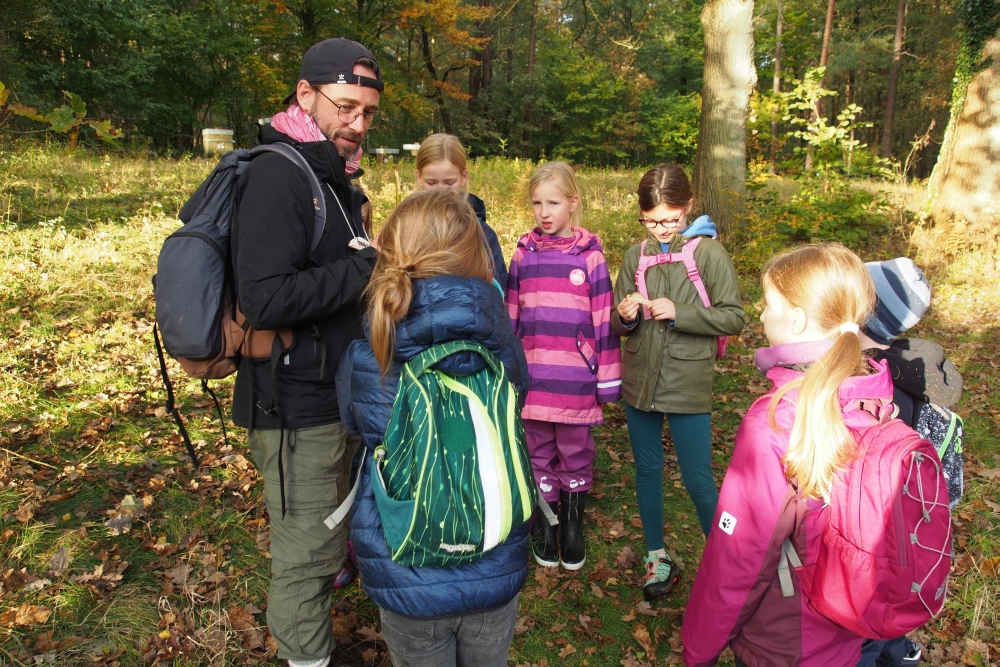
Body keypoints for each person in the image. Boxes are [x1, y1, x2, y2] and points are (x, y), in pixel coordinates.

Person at [230, 38, 382, 667]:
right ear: (305, 94)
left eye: (368, 112)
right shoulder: (277, 174)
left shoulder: (332, 175)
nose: (357, 124)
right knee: (305, 554)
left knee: (325, 536)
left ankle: (313, 652)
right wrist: (367, 270)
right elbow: (263, 299)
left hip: (329, 393)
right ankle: (306, 660)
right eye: (345, 107)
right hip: (293, 404)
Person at [337, 189, 529, 667]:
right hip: (493, 556)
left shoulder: (371, 349)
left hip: (406, 566)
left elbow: (352, 422)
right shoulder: (503, 344)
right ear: (476, 253)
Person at [682, 243, 895, 667]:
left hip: (782, 639)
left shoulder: (777, 421)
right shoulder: (872, 394)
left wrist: (698, 647)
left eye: (768, 303)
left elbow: (741, 555)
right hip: (846, 629)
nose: (760, 314)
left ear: (795, 318)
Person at [611, 163, 745, 599]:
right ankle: (657, 558)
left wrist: (680, 312)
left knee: (699, 478)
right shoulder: (635, 256)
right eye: (651, 221)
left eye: (671, 219)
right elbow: (618, 322)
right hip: (640, 384)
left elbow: (733, 317)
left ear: (688, 207)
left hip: (687, 383)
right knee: (647, 471)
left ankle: (729, 562)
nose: (662, 229)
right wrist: (626, 316)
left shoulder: (708, 254)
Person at [505, 161, 622, 570]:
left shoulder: (591, 259)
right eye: (537, 203)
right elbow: (511, 317)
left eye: (553, 202)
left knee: (574, 452)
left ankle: (573, 526)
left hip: (575, 382)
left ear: (573, 204)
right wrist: (509, 372)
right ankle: (548, 525)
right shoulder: (523, 254)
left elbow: (605, 323)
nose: (544, 212)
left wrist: (607, 382)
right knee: (537, 452)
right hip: (534, 380)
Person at [855, 257, 962, 667]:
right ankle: (897, 650)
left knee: (863, 628)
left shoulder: (875, 386)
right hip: (903, 536)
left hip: (870, 531)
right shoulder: (908, 371)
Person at [415, 133, 508, 286]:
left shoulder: (482, 234)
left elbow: (498, 290)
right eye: (431, 183)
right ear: (419, 177)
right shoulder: (407, 228)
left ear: (464, 177)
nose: (441, 191)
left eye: (449, 182)